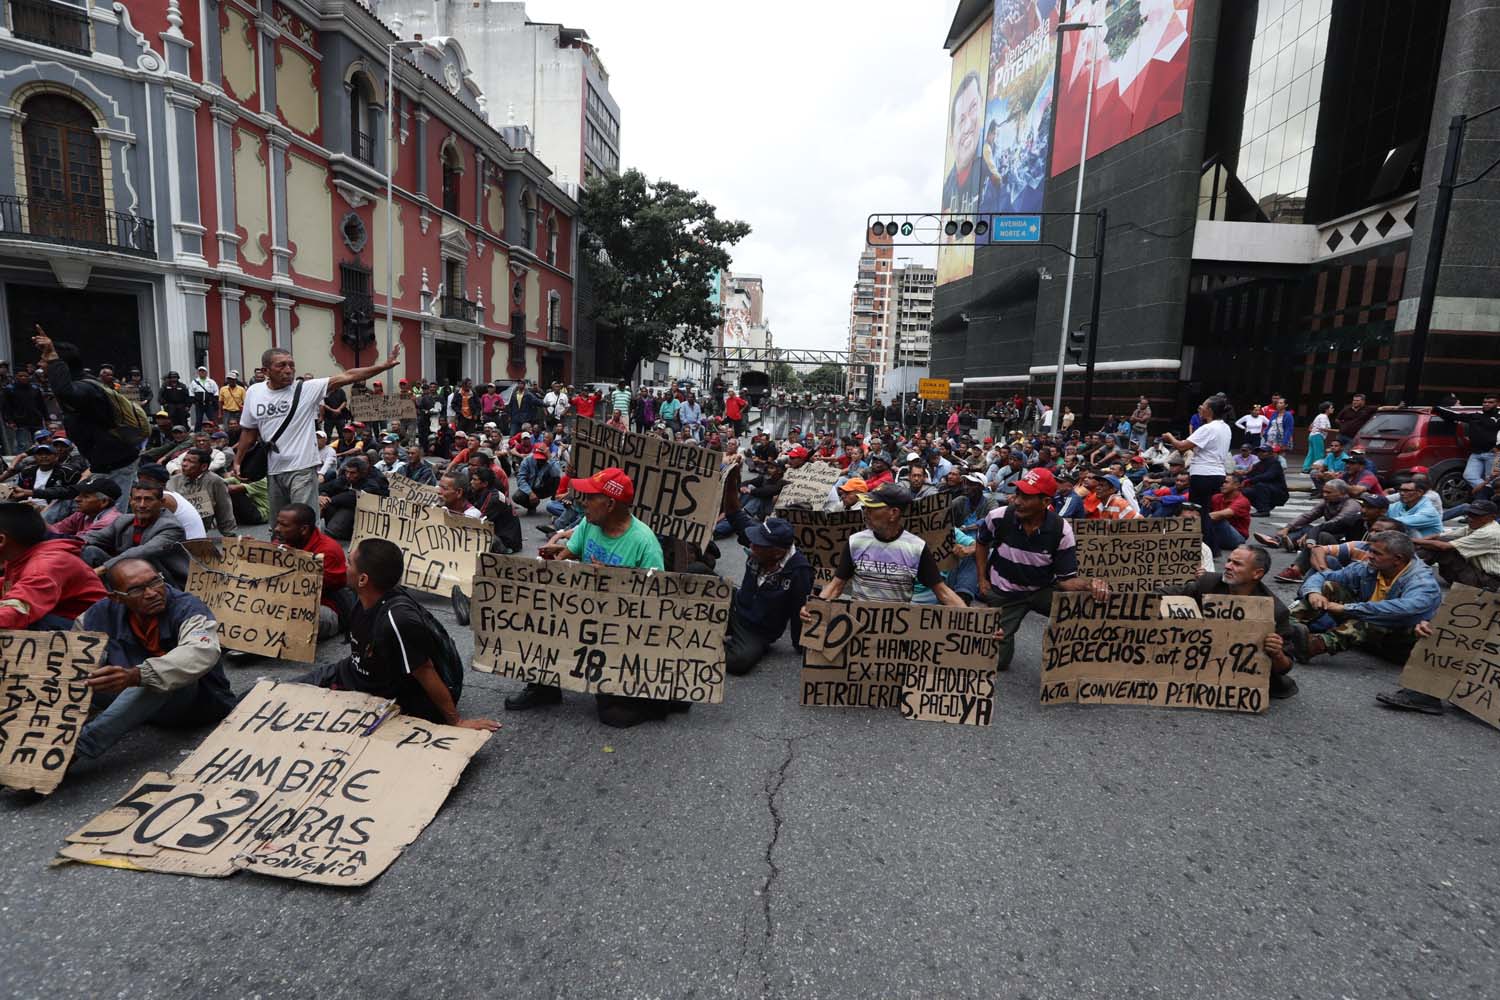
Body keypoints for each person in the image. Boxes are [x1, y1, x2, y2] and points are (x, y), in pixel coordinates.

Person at [513, 467, 684, 729]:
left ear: (611, 503)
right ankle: (544, 686)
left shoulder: (644, 543)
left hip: (620, 628)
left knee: (614, 715)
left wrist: (614, 580)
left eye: (592, 497)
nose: (584, 502)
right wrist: (553, 557)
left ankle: (665, 699)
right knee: (540, 608)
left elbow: (655, 605)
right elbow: (566, 557)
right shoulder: (588, 523)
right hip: (582, 611)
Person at [298, 538, 499, 731]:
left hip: (385, 693)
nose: (344, 566)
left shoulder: (397, 620)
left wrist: (456, 722)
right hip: (355, 672)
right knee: (282, 692)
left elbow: (425, 671)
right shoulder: (363, 597)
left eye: (349, 563)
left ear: (363, 579)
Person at [73, 559, 236, 761]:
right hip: (134, 700)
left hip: (195, 704)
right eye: (136, 590)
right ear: (116, 598)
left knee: (156, 679)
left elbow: (201, 650)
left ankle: (77, 749)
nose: (151, 593)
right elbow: (74, 655)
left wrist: (138, 675)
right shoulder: (99, 613)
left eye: (155, 582)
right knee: (79, 676)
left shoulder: (187, 607)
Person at [232, 344, 401, 524]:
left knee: (303, 521)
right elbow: (249, 431)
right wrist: (238, 460)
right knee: (279, 525)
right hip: (273, 469)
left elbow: (348, 375)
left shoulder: (306, 389)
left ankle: (312, 552)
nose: (288, 370)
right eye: (281, 365)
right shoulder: (254, 392)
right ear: (266, 370)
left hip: (302, 468)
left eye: (291, 365)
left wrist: (383, 366)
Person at [972, 467, 1108, 671]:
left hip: (1041, 590)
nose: (1017, 501)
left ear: (1045, 502)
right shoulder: (999, 517)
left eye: (1026, 496)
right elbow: (981, 543)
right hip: (1005, 593)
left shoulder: (1061, 530)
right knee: (997, 661)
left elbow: (1065, 580)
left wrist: (1091, 585)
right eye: (1017, 493)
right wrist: (982, 579)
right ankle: (990, 623)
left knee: (1089, 606)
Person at [1158, 544, 1298, 698]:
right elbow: (1168, 593)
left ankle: (1299, 633)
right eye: (1229, 560)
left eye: (1236, 564)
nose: (1227, 566)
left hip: (1238, 682)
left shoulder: (1275, 610)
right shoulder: (1209, 583)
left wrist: (1277, 653)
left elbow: (1284, 667)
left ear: (1257, 573)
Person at [1288, 531, 1442, 663]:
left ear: (1398, 559)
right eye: (1370, 551)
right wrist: (1313, 592)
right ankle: (1284, 625)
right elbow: (1325, 575)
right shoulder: (1370, 568)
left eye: (1377, 553)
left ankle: (1311, 646)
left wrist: (1347, 608)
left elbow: (1404, 609)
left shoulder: (1422, 582)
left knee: (1374, 618)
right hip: (1366, 625)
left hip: (1399, 640)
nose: (1369, 556)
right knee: (1328, 586)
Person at [32, 329, 142, 509]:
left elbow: (64, 392)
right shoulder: (81, 384)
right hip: (101, 463)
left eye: (45, 359)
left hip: (117, 465)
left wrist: (52, 356)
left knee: (111, 516)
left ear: (61, 365)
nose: (40, 364)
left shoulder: (87, 388)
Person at [809, 482, 966, 606]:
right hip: (857, 632)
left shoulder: (916, 548)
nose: (866, 511)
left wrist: (975, 621)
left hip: (893, 637)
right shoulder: (855, 542)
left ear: (893, 513)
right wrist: (815, 608)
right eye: (865, 507)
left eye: (872, 507)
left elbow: (942, 592)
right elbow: (836, 586)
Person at [723, 517, 814, 676]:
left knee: (740, 662)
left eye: (759, 544)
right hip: (736, 605)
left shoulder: (800, 571)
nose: (751, 546)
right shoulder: (759, 548)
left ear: (777, 552)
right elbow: (734, 514)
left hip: (756, 630)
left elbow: (799, 610)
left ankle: (704, 646)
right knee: (698, 572)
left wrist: (801, 645)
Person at [0, 502, 107, 629]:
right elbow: (14, 586)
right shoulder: (21, 557)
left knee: (24, 623)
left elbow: (17, 611)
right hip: (62, 620)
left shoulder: (43, 566)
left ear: (1, 540)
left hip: (93, 632)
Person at [81, 482, 189, 588]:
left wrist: (101, 569)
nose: (142, 505)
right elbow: (94, 537)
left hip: (167, 582)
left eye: (148, 499)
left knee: (145, 560)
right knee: (90, 551)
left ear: (161, 502)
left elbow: (142, 552)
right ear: (130, 501)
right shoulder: (123, 521)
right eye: (137, 499)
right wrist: (68, 543)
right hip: (132, 574)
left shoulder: (171, 527)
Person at [271, 503, 351, 640]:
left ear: (303, 529)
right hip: (288, 599)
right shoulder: (284, 541)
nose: (277, 529)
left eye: (284, 525)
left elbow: (308, 591)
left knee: (287, 615)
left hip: (323, 606)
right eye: (277, 523)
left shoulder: (327, 551)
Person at [1163, 396, 1233, 541]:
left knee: (1197, 512)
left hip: (1203, 474)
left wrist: (1170, 437)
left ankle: (1207, 547)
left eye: (1203, 406)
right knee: (1203, 511)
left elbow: (1182, 446)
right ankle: (1210, 547)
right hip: (1217, 473)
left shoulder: (1208, 428)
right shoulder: (1225, 427)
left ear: (1210, 410)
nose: (1200, 408)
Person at [1411, 499, 1500, 590]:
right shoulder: (1477, 525)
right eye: (1469, 514)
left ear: (1491, 517)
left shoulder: (1489, 532)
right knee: (1440, 542)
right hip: (1478, 573)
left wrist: (1411, 540)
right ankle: (1410, 569)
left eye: (1476, 515)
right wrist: (1416, 542)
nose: (1470, 518)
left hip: (1489, 581)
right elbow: (1439, 536)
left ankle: (1410, 572)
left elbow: (1444, 546)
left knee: (1442, 549)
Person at [1255, 479, 1362, 552]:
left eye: (1329, 492)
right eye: (1324, 492)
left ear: (1342, 493)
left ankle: (1286, 542)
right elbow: (1309, 515)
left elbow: (1336, 523)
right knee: (1303, 527)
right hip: (1327, 531)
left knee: (1313, 532)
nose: (1324, 495)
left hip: (1341, 537)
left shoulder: (1351, 505)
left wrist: (1312, 533)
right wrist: (1288, 527)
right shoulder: (1327, 502)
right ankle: (1279, 539)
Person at [1435, 392, 1500, 489]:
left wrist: (1498, 448)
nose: (1486, 404)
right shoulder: (1475, 416)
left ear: (1497, 404)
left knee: (1492, 479)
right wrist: (1435, 409)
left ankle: (1490, 500)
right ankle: (1488, 492)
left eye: (1490, 402)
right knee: (1469, 476)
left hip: (1493, 454)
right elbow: (1454, 415)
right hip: (1476, 453)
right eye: (1484, 402)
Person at [166, 448, 237, 536]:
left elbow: (224, 509)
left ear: (203, 467)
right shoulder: (173, 480)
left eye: (190, 462)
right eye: (184, 460)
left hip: (199, 527)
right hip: (174, 526)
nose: (184, 464)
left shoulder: (215, 481)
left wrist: (230, 535)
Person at [318, 456, 389, 541]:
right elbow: (328, 487)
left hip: (362, 516)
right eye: (347, 472)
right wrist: (322, 496)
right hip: (341, 512)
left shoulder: (371, 483)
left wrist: (330, 500)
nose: (348, 475)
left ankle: (333, 533)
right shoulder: (345, 478)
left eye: (353, 473)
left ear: (361, 473)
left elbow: (353, 497)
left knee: (346, 507)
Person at [48, 475, 122, 540]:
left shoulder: (109, 522)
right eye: (79, 495)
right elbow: (56, 529)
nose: (76, 499)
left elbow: (77, 542)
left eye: (85, 496)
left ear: (104, 502)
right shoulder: (82, 514)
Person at [1205, 472, 1252, 554]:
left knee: (1218, 518)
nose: (1222, 484)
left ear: (1237, 485)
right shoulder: (1216, 497)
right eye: (1222, 482)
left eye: (1226, 482)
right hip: (1221, 534)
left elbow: (1224, 514)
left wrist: (1200, 517)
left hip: (1237, 538)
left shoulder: (1242, 501)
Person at [513, 443, 562, 514]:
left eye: (542, 459)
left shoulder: (550, 460)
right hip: (531, 487)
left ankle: (554, 504)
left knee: (557, 478)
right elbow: (520, 479)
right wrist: (530, 493)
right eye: (538, 459)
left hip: (545, 488)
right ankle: (531, 506)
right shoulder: (527, 461)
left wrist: (550, 458)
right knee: (517, 497)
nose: (540, 461)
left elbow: (557, 473)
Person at [1243, 445, 1289, 515]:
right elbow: (1249, 476)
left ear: (1271, 453)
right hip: (1266, 491)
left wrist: (1250, 480)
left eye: (1263, 452)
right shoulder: (1257, 465)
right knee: (1244, 491)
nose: (1260, 453)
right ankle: (1261, 507)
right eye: (1258, 452)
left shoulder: (1275, 463)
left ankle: (1264, 511)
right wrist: (1241, 480)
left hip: (1279, 493)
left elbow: (1268, 476)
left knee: (1260, 485)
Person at [1304, 401, 1334, 471]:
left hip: (1312, 435)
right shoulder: (1323, 416)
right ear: (1326, 409)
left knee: (1311, 453)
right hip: (1317, 436)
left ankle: (1306, 468)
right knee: (1319, 454)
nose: (1333, 409)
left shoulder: (1319, 416)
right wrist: (1336, 431)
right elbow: (1322, 428)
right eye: (1331, 408)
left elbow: (1310, 427)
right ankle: (1318, 469)